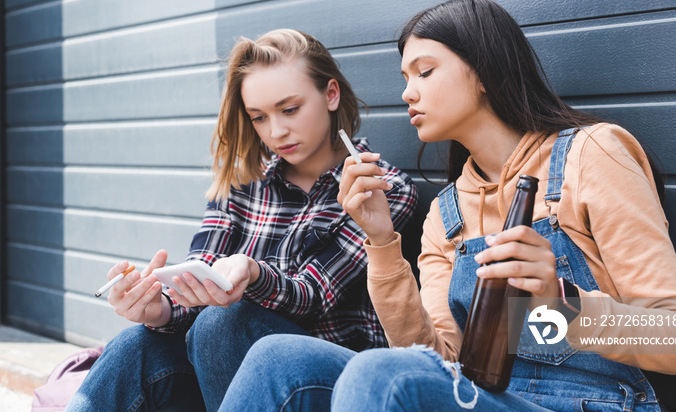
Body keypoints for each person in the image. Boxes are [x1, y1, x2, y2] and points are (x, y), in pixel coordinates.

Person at [217, 0, 676, 411]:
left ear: (485, 71)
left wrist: (563, 304)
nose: (407, 92)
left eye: (424, 71)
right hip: (478, 398)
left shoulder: (592, 154)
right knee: (277, 358)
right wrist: (381, 241)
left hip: (590, 401)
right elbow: (434, 358)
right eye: (405, 76)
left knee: (380, 375)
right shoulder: (446, 214)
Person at [65, 29, 417, 412]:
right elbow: (199, 284)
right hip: (227, 373)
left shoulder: (381, 188)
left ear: (331, 94)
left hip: (324, 379)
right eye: (259, 117)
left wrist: (252, 273)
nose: (276, 131)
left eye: (290, 109)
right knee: (138, 344)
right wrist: (159, 309)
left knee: (225, 321)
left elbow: (313, 296)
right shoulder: (240, 183)